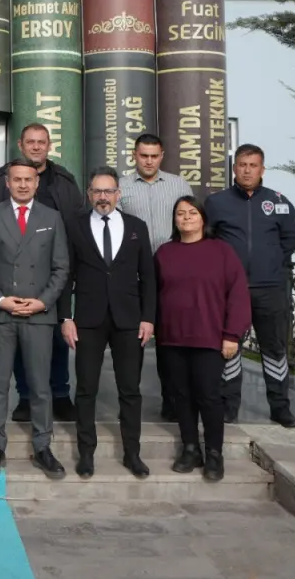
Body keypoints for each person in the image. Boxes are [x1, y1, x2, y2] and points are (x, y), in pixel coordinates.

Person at [0, 159, 70, 480]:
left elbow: (61, 267)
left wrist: (42, 301)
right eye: (17, 179)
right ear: (7, 183)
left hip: (38, 313)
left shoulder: (52, 217)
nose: (23, 184)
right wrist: (0, 300)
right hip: (0, 314)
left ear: (37, 182)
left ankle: (43, 446)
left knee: (41, 385)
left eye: (28, 179)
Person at [61, 167, 157, 481]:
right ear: (89, 194)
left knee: (130, 389)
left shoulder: (137, 227)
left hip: (129, 319)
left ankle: (132, 454)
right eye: (97, 191)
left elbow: (148, 277)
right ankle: (86, 454)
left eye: (108, 191)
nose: (103, 197)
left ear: (118, 194)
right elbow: (66, 275)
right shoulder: (74, 226)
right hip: (88, 319)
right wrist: (66, 318)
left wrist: (148, 317)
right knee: (86, 389)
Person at [0, 124, 81, 424]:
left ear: (49, 145)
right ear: (20, 144)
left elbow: (74, 227)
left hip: (54, 271)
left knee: (58, 335)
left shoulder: (65, 181)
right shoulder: (0, 181)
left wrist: (67, 272)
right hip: (12, 276)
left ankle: (60, 394)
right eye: (31, 142)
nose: (36, 147)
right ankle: (25, 397)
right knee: (17, 343)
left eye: (41, 142)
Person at [155, 196, 252, 482]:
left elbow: (238, 295)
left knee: (208, 396)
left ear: (203, 219)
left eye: (192, 213)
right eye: (180, 213)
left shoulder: (221, 252)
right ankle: (190, 448)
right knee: (182, 396)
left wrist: (232, 334)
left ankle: (214, 453)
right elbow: (153, 293)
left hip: (209, 338)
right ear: (174, 220)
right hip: (172, 338)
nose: (186, 217)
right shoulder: (164, 253)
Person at [205, 144, 295, 428]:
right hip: (230, 290)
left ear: (262, 169)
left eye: (253, 165)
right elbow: (208, 241)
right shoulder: (216, 203)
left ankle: (280, 408)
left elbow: (291, 237)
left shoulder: (279, 202)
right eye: (242, 164)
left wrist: (271, 263)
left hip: (270, 289)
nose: (247, 170)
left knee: (274, 349)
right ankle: (228, 407)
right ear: (234, 167)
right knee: (229, 348)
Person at [116, 133, 193, 421]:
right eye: (143, 155)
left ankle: (172, 401)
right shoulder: (121, 187)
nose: (148, 161)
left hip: (171, 275)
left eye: (154, 156)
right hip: (132, 277)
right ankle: (129, 402)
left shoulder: (179, 185)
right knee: (132, 341)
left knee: (170, 341)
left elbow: (190, 223)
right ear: (134, 155)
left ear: (162, 156)